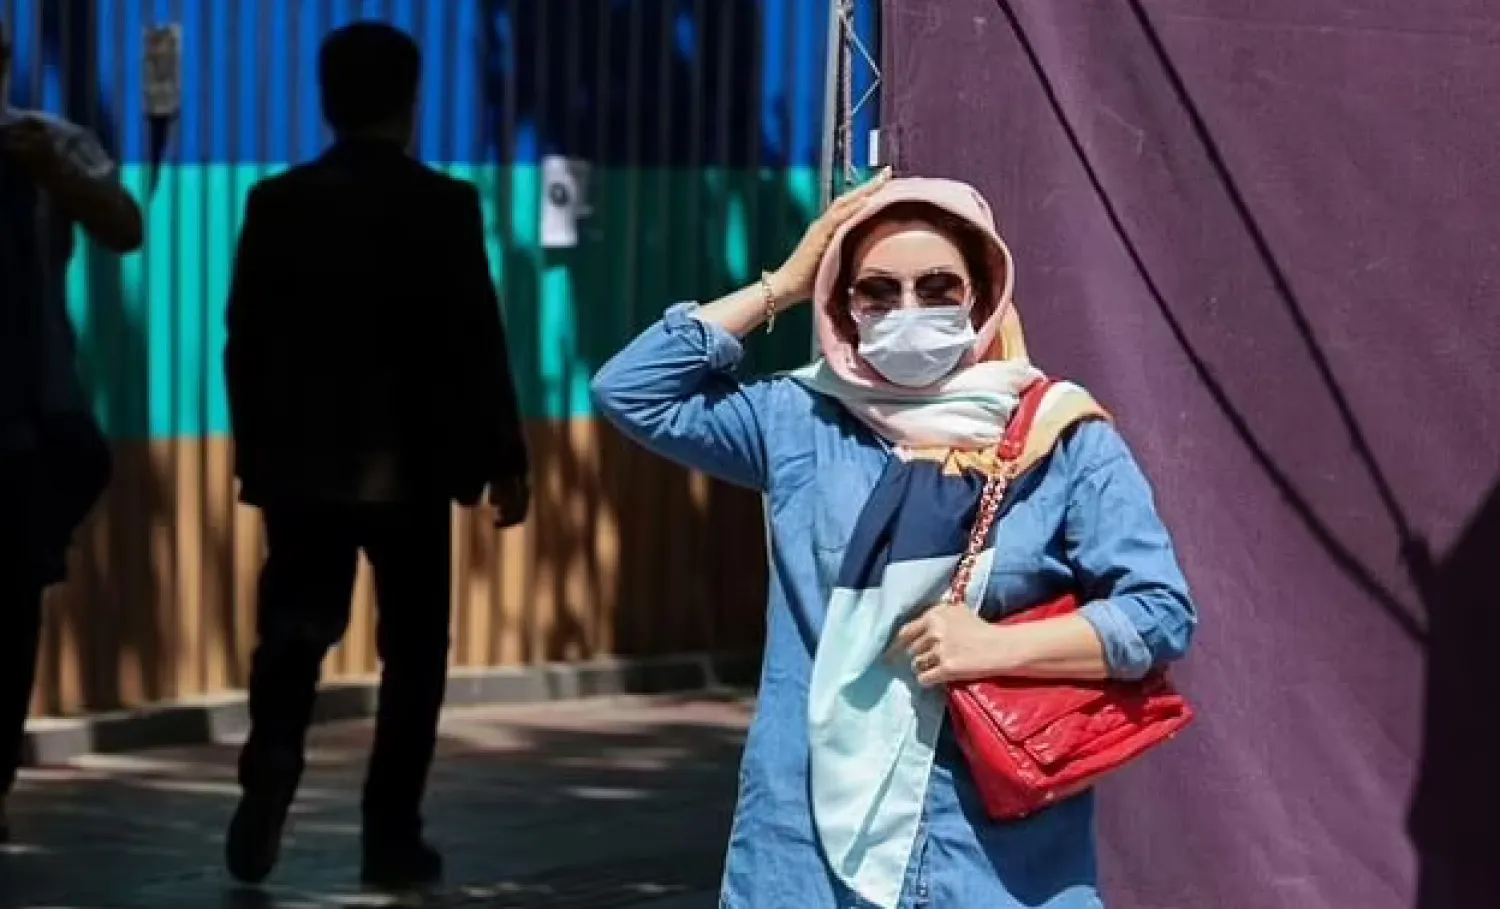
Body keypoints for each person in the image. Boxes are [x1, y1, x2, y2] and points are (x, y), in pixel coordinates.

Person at [591, 171, 1198, 908]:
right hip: (807, 845)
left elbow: (1158, 614)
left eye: (938, 287)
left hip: (995, 852)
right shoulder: (801, 420)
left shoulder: (1062, 437)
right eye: (877, 292)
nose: (908, 309)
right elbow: (633, 390)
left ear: (983, 291)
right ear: (843, 306)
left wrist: (998, 647)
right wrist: (785, 283)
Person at [222, 22, 530, 888]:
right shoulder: (445, 205)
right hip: (414, 475)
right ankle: (391, 835)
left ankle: (272, 759)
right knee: (414, 656)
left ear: (326, 100)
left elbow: (244, 340)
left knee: (294, 632)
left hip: (303, 472)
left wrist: (258, 459)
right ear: (409, 100)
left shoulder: (277, 203)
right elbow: (476, 338)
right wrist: (505, 457)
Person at [0, 16, 143, 845]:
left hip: (30, 418)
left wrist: (53, 172)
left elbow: (124, 227)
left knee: (15, 609)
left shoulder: (47, 143)